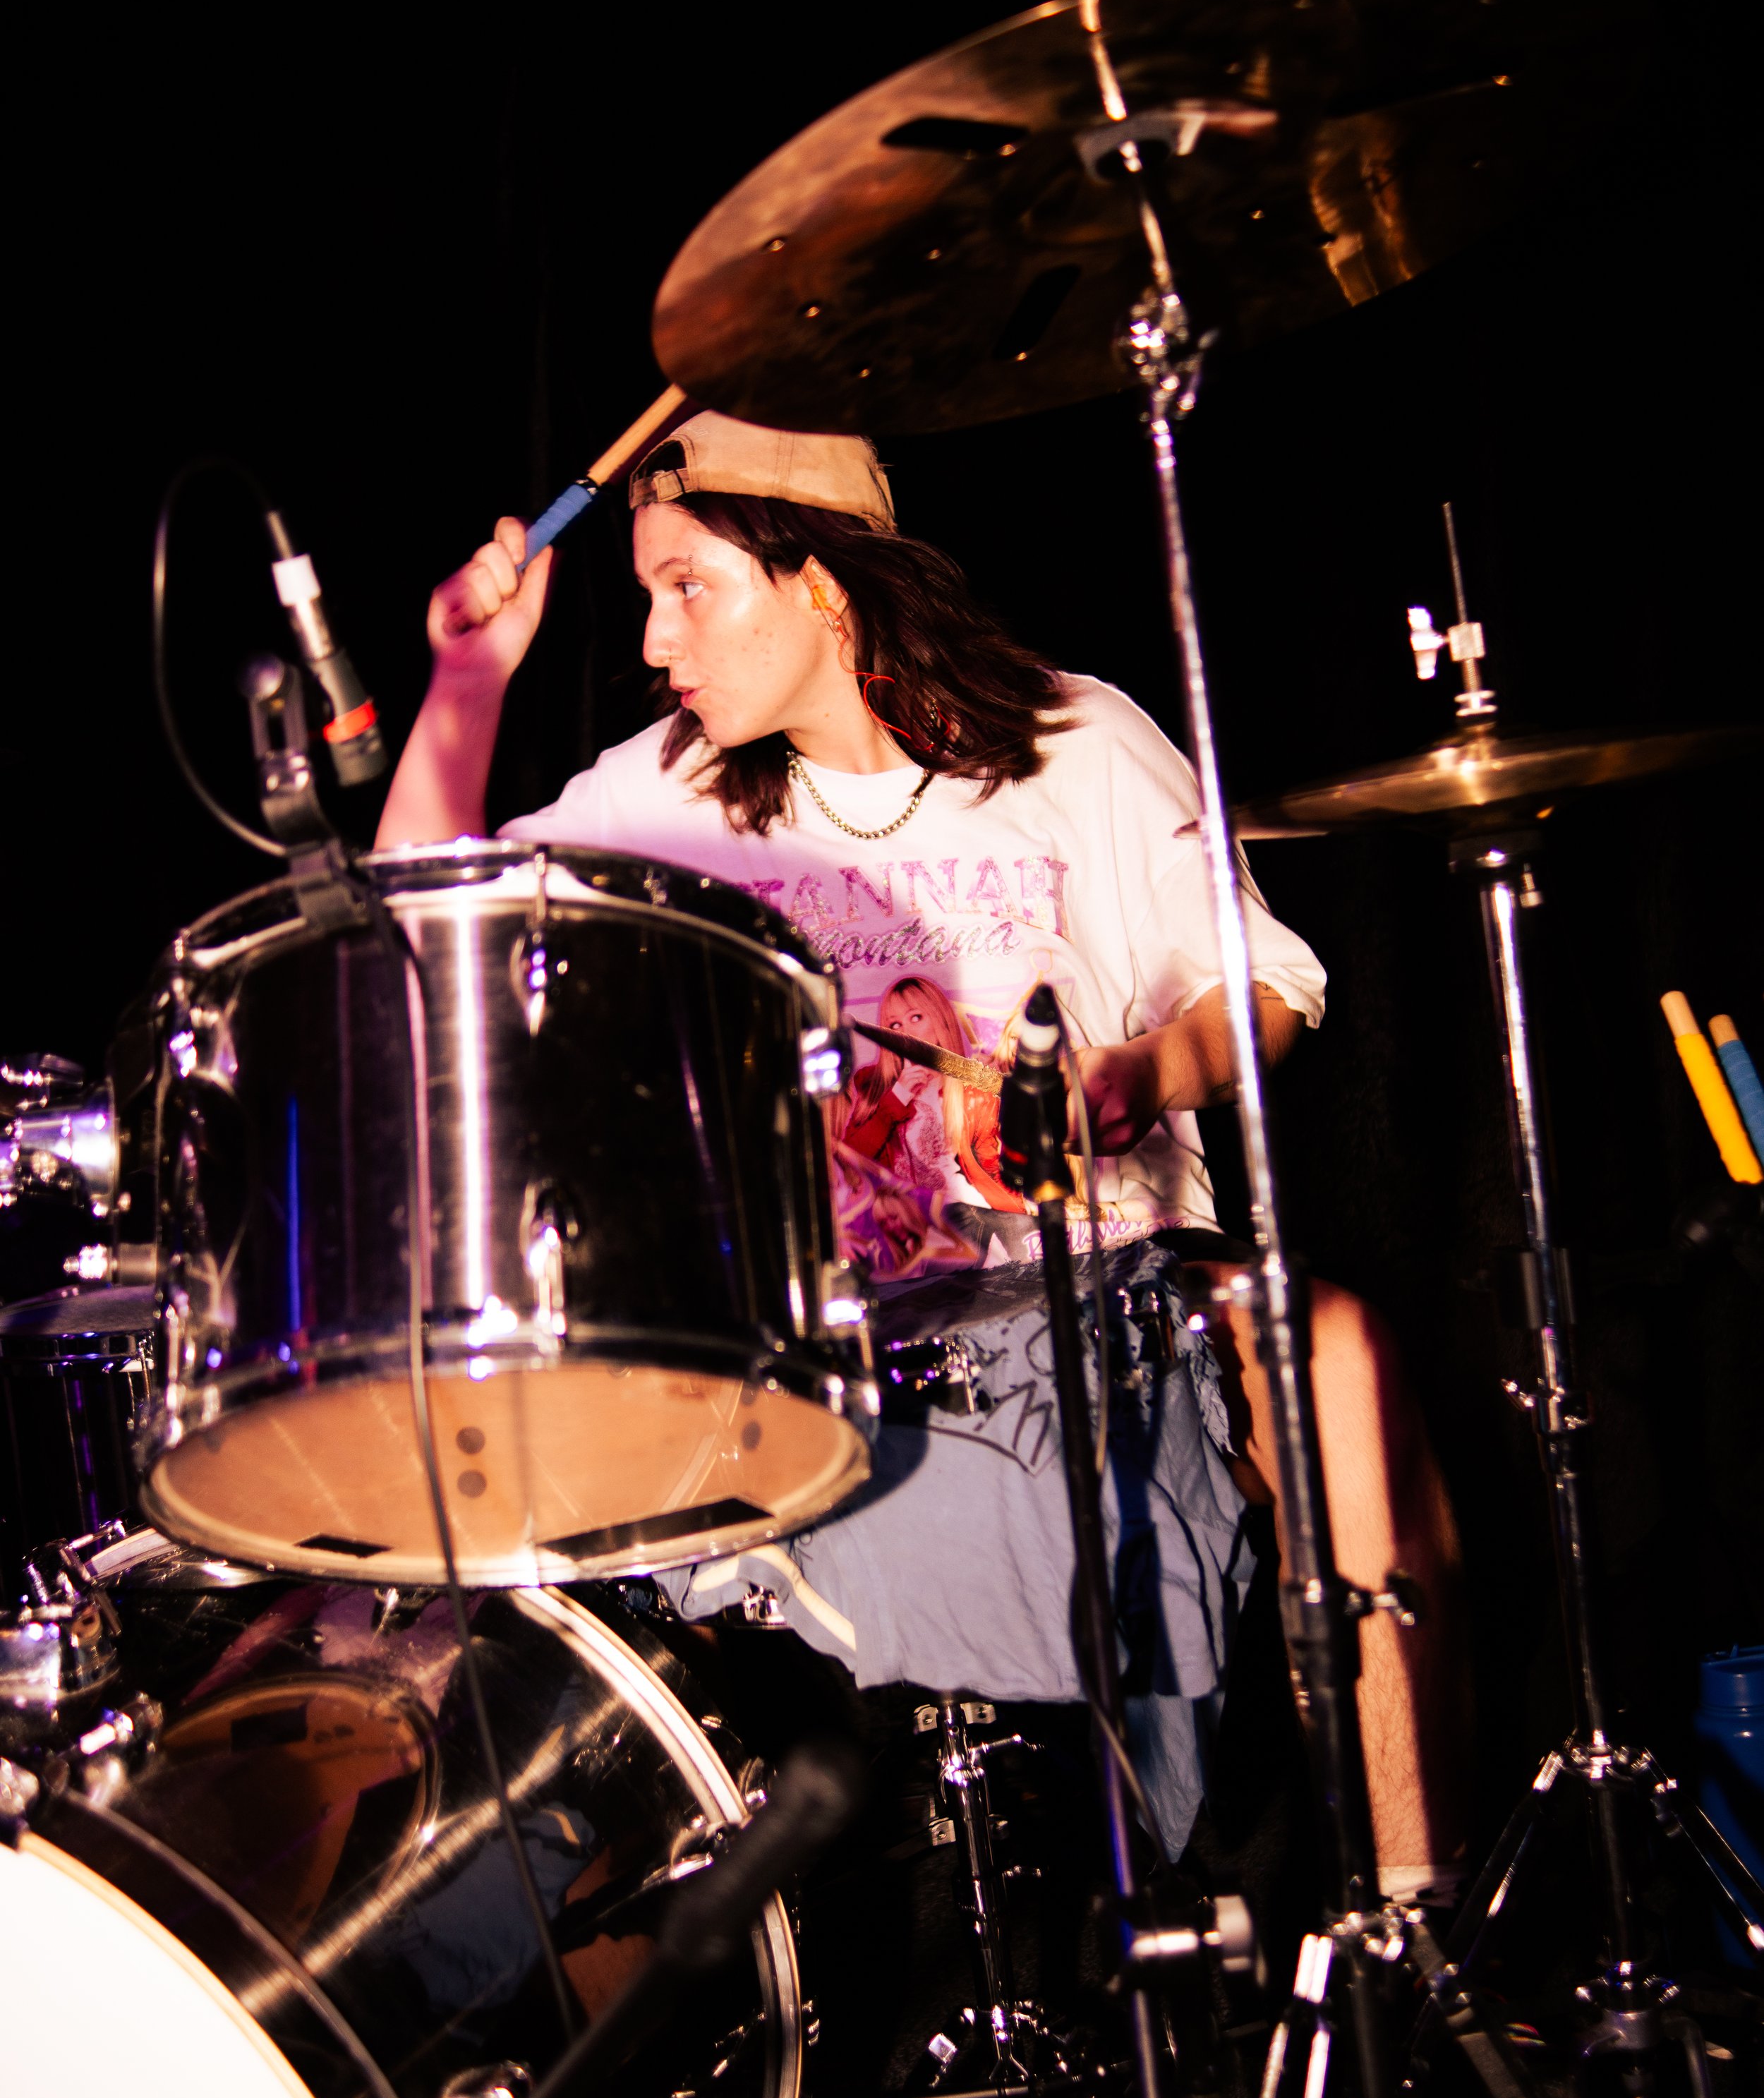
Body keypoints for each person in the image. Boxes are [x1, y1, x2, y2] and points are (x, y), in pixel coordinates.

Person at [378, 411, 1468, 1888]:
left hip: (1119, 1277)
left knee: (1341, 1369)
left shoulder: (1073, 737)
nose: (654, 639)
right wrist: (465, 680)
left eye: (688, 587)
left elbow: (1261, 986)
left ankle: (1412, 1928)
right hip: (844, 1339)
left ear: (818, 584)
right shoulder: (669, 793)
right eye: (645, 595)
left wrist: (1140, 1074)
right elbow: (410, 943)